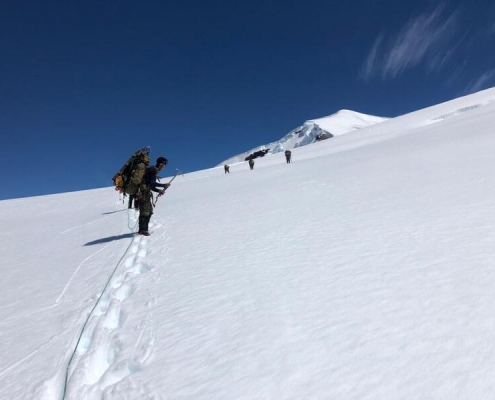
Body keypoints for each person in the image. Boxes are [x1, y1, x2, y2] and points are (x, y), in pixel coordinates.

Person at [135, 156, 170, 236]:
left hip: (146, 193)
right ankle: (142, 230)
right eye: (164, 165)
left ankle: (145, 229)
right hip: (143, 193)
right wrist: (163, 185)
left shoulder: (153, 170)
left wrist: (158, 190)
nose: (163, 167)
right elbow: (151, 183)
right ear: (161, 164)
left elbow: (151, 186)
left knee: (149, 212)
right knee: (145, 212)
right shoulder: (153, 170)